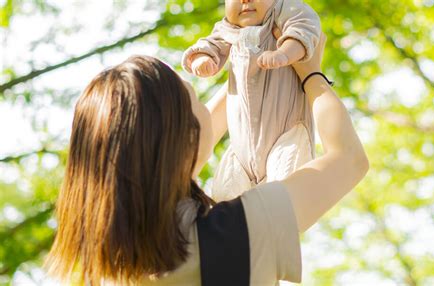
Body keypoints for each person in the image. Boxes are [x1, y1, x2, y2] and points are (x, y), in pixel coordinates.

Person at [45, 30, 369, 285]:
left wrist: (250, 67)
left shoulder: (105, 267)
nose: (205, 107)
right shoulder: (244, 227)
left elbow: (193, 143)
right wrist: (310, 73)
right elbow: (348, 159)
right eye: (196, 100)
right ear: (183, 139)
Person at [182, 0, 322, 201]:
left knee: (283, 193)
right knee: (224, 196)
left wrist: (285, 53)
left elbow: (304, 29)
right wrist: (203, 58)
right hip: (241, 148)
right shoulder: (229, 28)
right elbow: (210, 43)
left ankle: (276, 223)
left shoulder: (285, 11)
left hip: (286, 135)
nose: (245, 0)